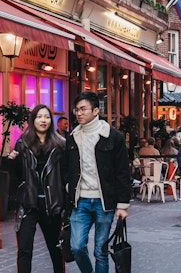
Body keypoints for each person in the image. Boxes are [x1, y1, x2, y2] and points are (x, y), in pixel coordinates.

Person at [64, 92, 130, 273]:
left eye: (83, 109)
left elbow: (123, 172)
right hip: (80, 201)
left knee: (100, 251)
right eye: (76, 110)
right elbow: (66, 168)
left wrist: (123, 205)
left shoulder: (113, 136)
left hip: (104, 202)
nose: (78, 113)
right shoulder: (72, 137)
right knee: (76, 247)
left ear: (95, 111)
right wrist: (69, 188)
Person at [8, 104, 66, 273]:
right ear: (33, 120)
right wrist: (11, 162)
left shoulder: (60, 145)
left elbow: (65, 176)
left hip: (51, 206)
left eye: (46, 117)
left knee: (55, 249)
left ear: (51, 120)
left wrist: (65, 205)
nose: (43, 120)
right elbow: (17, 176)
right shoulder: (22, 143)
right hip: (28, 204)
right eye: (39, 117)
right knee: (24, 250)